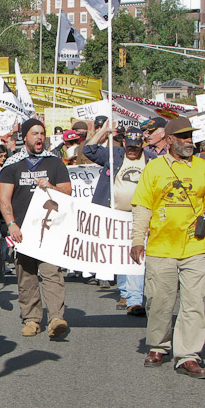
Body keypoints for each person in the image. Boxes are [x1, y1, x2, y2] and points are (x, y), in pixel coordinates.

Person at [130, 117, 205, 379]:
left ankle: (188, 356)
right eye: (182, 136)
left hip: (194, 247)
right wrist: (138, 239)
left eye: (190, 135)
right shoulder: (154, 169)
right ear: (169, 140)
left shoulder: (203, 168)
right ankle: (159, 346)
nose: (188, 140)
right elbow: (143, 207)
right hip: (161, 248)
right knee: (159, 302)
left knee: (193, 303)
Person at [0, 118, 71, 338]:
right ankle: (31, 319)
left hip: (49, 229)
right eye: (34, 133)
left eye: (42, 133)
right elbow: (4, 199)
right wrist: (11, 224)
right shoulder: (12, 165)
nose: (39, 137)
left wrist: (50, 186)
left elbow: (67, 192)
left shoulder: (54, 162)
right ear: (24, 137)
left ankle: (56, 318)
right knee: (26, 276)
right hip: (22, 231)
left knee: (52, 273)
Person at [82, 123, 156, 315]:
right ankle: (125, 292)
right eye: (129, 146)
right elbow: (88, 150)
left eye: (136, 147)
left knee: (137, 253)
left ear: (143, 145)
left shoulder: (152, 160)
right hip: (115, 213)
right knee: (121, 253)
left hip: (140, 214)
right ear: (123, 142)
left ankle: (134, 299)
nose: (132, 150)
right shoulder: (115, 155)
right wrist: (103, 131)